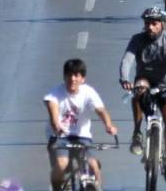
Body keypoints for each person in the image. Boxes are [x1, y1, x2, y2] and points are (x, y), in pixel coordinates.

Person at [119, 6, 166, 184]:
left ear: (161, 25)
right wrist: (124, 78)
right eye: (147, 24)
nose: (150, 27)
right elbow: (127, 59)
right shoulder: (137, 39)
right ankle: (137, 133)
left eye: (154, 23)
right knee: (138, 88)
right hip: (145, 79)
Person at [44, 58, 117, 191]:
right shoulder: (55, 93)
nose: (73, 79)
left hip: (82, 135)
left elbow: (100, 110)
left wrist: (108, 125)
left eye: (77, 75)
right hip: (60, 136)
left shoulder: (88, 92)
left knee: (93, 165)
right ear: (64, 77)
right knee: (62, 164)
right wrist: (57, 125)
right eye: (69, 75)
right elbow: (53, 110)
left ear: (83, 79)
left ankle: (98, 188)